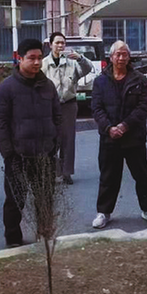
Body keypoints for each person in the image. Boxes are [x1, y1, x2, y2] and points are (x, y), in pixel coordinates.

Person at [0, 38, 61, 248]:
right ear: (20, 59)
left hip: (45, 155)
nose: (37, 62)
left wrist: (54, 145)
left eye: (39, 57)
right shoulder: (6, 89)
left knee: (45, 199)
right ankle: (13, 239)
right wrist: (9, 154)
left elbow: (57, 117)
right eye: (31, 58)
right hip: (18, 157)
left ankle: (45, 235)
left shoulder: (48, 86)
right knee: (15, 201)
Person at [91, 41, 147, 229]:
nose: (121, 58)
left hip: (134, 137)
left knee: (142, 176)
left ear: (129, 57)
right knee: (108, 178)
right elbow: (96, 108)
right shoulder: (100, 81)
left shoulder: (140, 80)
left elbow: (144, 107)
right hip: (109, 138)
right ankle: (104, 212)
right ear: (111, 57)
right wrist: (109, 128)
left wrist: (124, 126)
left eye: (125, 54)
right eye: (118, 54)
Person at [41, 31, 94, 185]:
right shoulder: (44, 64)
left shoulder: (72, 63)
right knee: (51, 139)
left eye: (62, 43)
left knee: (68, 139)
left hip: (69, 105)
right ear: (50, 45)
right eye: (57, 43)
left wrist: (80, 58)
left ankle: (66, 172)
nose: (60, 45)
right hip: (50, 106)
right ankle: (53, 172)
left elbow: (88, 68)